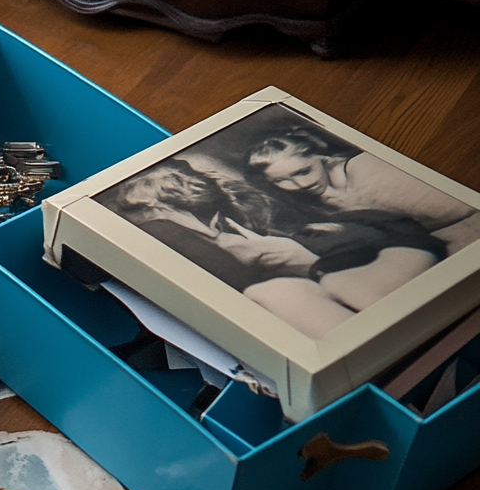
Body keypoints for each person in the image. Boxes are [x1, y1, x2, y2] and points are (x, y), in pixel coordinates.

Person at [111, 160, 445, 338]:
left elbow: (377, 227)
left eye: (152, 209)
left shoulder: (253, 211)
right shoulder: (191, 235)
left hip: (378, 248)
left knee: (315, 285)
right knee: (288, 289)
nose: (150, 218)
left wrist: (305, 259)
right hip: (331, 269)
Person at [248, 128, 480, 254]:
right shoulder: (319, 200)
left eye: (303, 171)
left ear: (320, 156)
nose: (300, 186)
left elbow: (461, 210)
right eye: (280, 181)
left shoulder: (366, 169)